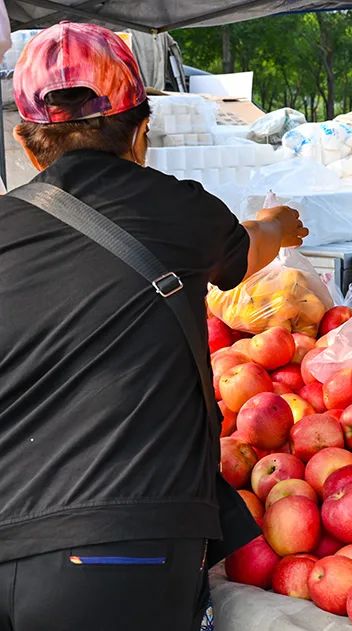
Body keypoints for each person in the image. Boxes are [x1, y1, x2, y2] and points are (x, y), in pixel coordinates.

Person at [0, 22, 307, 631]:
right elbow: (251, 248)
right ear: (142, 133)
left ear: (27, 145)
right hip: (120, 553)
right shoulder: (179, 210)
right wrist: (279, 222)